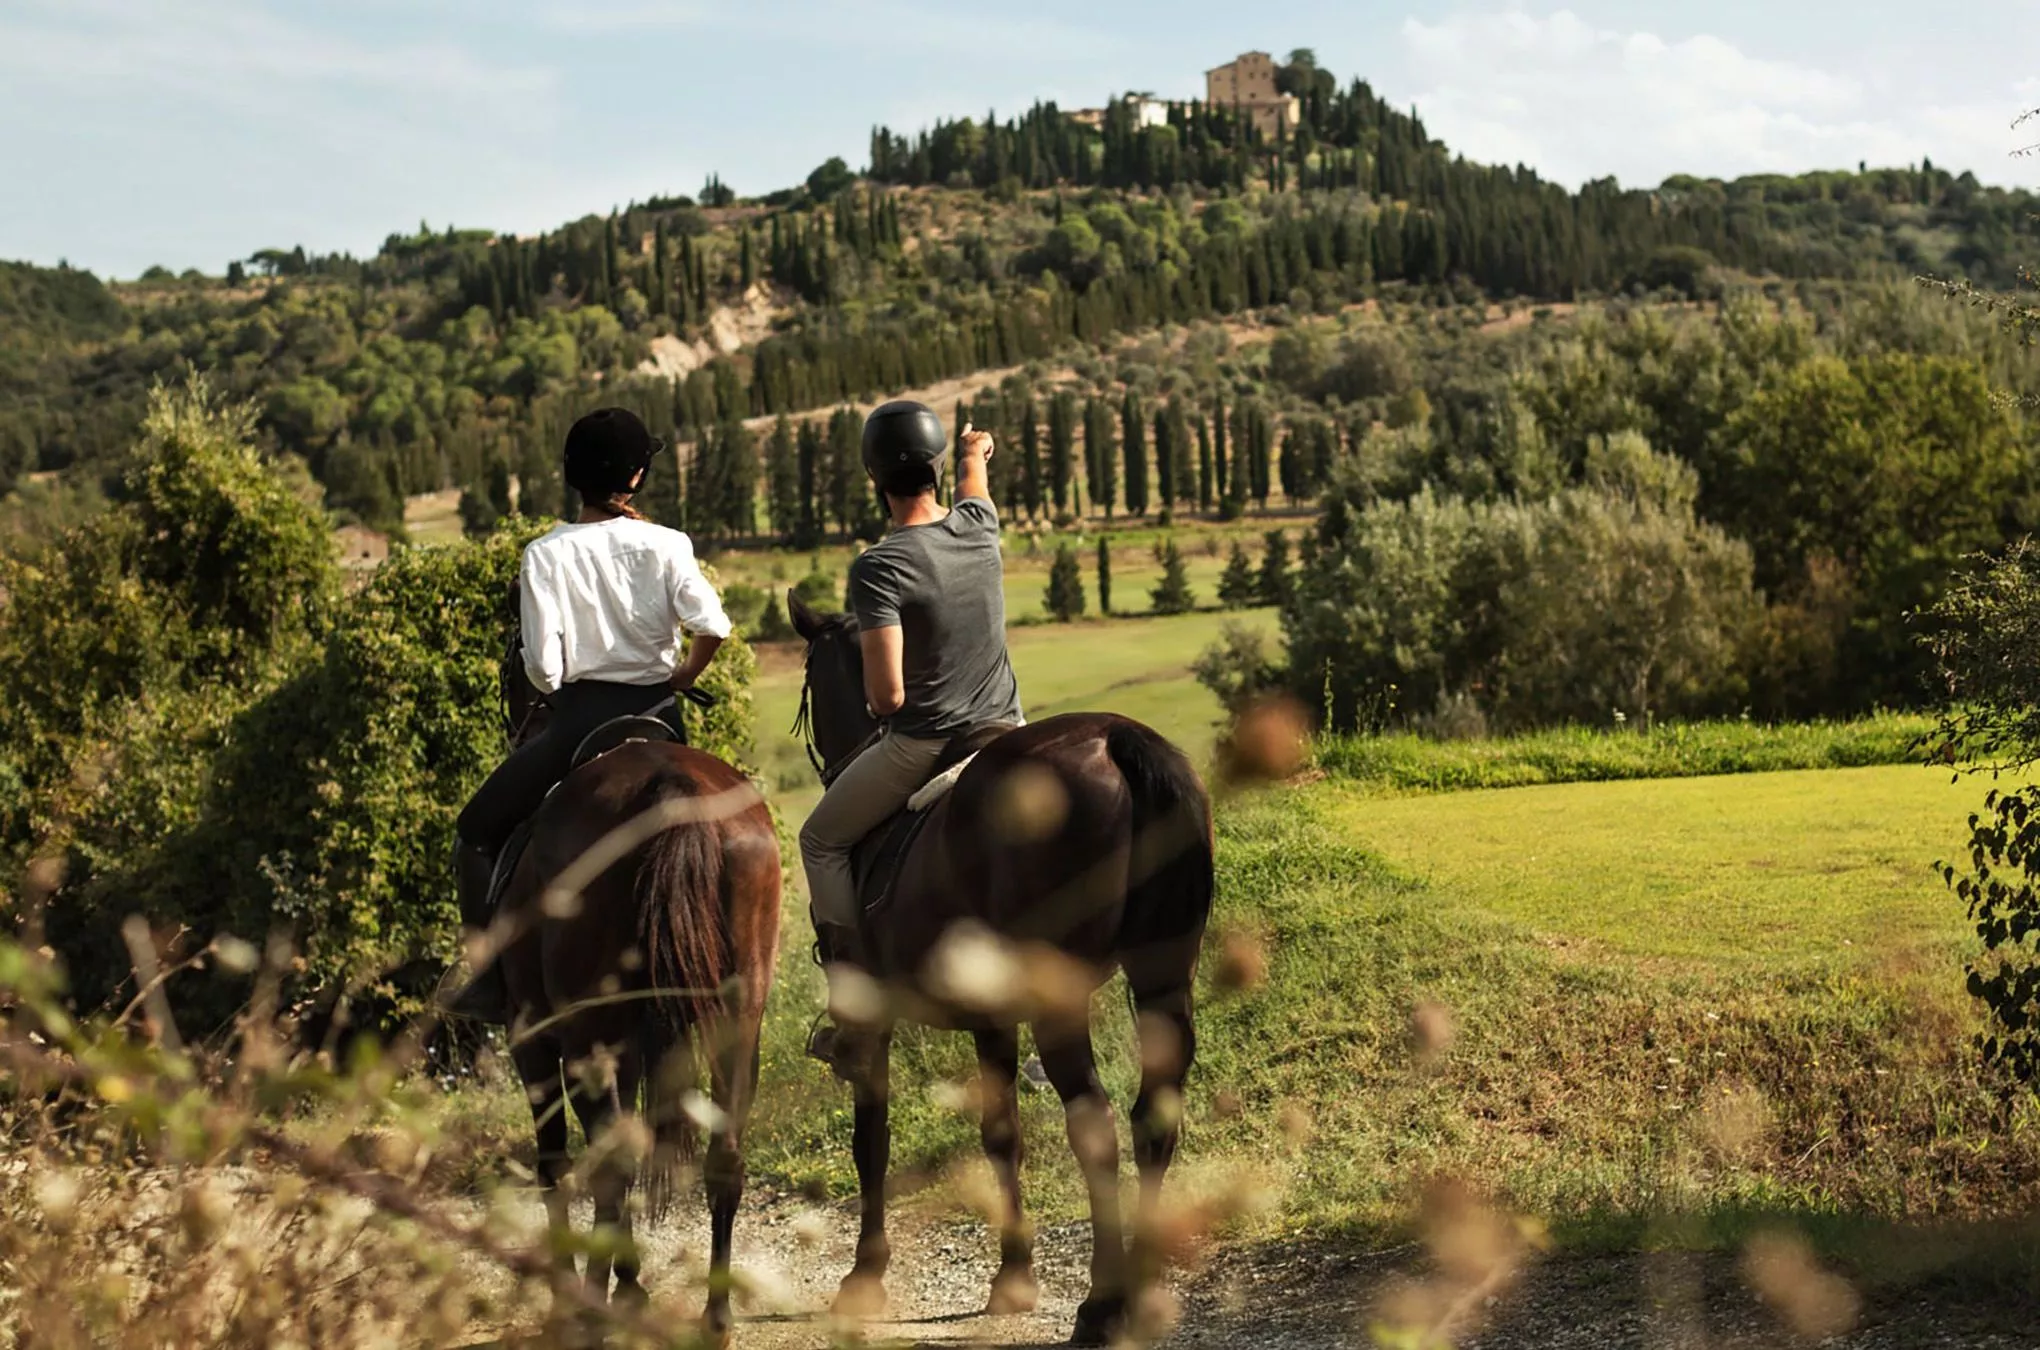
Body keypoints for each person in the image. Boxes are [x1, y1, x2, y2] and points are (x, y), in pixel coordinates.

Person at [444, 407, 732, 1023]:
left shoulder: (544, 555)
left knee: (473, 832)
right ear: (634, 476)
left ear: (575, 478)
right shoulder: (667, 542)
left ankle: (489, 981)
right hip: (662, 718)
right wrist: (681, 676)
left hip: (579, 722)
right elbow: (714, 626)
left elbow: (545, 672)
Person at [798, 400, 1023, 1006]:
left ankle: (854, 993)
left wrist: (878, 707)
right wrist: (975, 449)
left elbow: (887, 694)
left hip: (926, 746)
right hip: (1008, 726)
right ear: (938, 467)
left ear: (876, 480)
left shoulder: (879, 566)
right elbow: (975, 478)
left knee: (819, 841)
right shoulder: (979, 523)